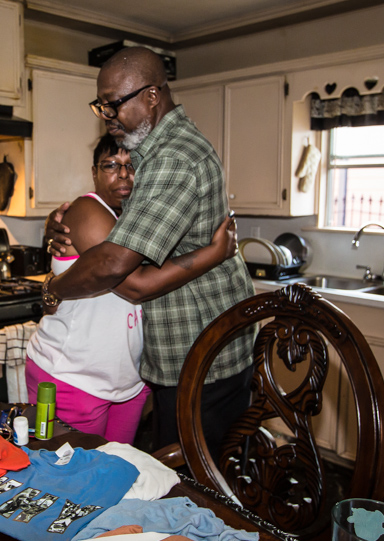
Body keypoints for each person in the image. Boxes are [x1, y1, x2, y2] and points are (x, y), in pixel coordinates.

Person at [41, 47, 258, 458]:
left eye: (113, 104)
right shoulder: (151, 153)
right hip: (194, 351)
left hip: (201, 354)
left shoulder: (172, 158)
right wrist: (62, 225)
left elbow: (118, 269)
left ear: (153, 97)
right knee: (186, 477)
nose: (106, 115)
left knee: (197, 492)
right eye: (100, 105)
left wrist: (54, 289)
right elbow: (117, 228)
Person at [27, 133, 237, 444]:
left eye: (133, 164)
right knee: (73, 482)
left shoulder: (143, 220)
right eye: (111, 164)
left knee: (116, 479)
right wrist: (216, 252)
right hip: (73, 375)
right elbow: (134, 286)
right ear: (94, 172)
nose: (123, 174)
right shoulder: (87, 211)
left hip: (129, 382)